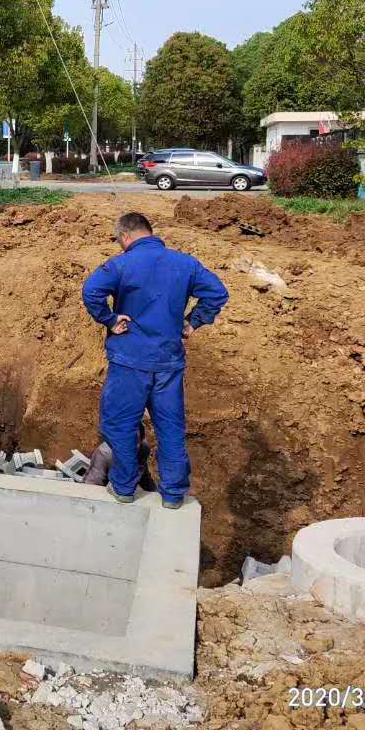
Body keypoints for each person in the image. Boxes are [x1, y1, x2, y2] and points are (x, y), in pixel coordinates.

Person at [80, 211, 228, 508]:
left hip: (129, 361)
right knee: (170, 428)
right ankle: (173, 494)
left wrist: (110, 319)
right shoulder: (185, 263)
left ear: (125, 236)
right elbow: (217, 292)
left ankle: (123, 487)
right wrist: (193, 322)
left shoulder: (121, 264)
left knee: (120, 425)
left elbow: (91, 291)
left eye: (118, 240)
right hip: (167, 362)